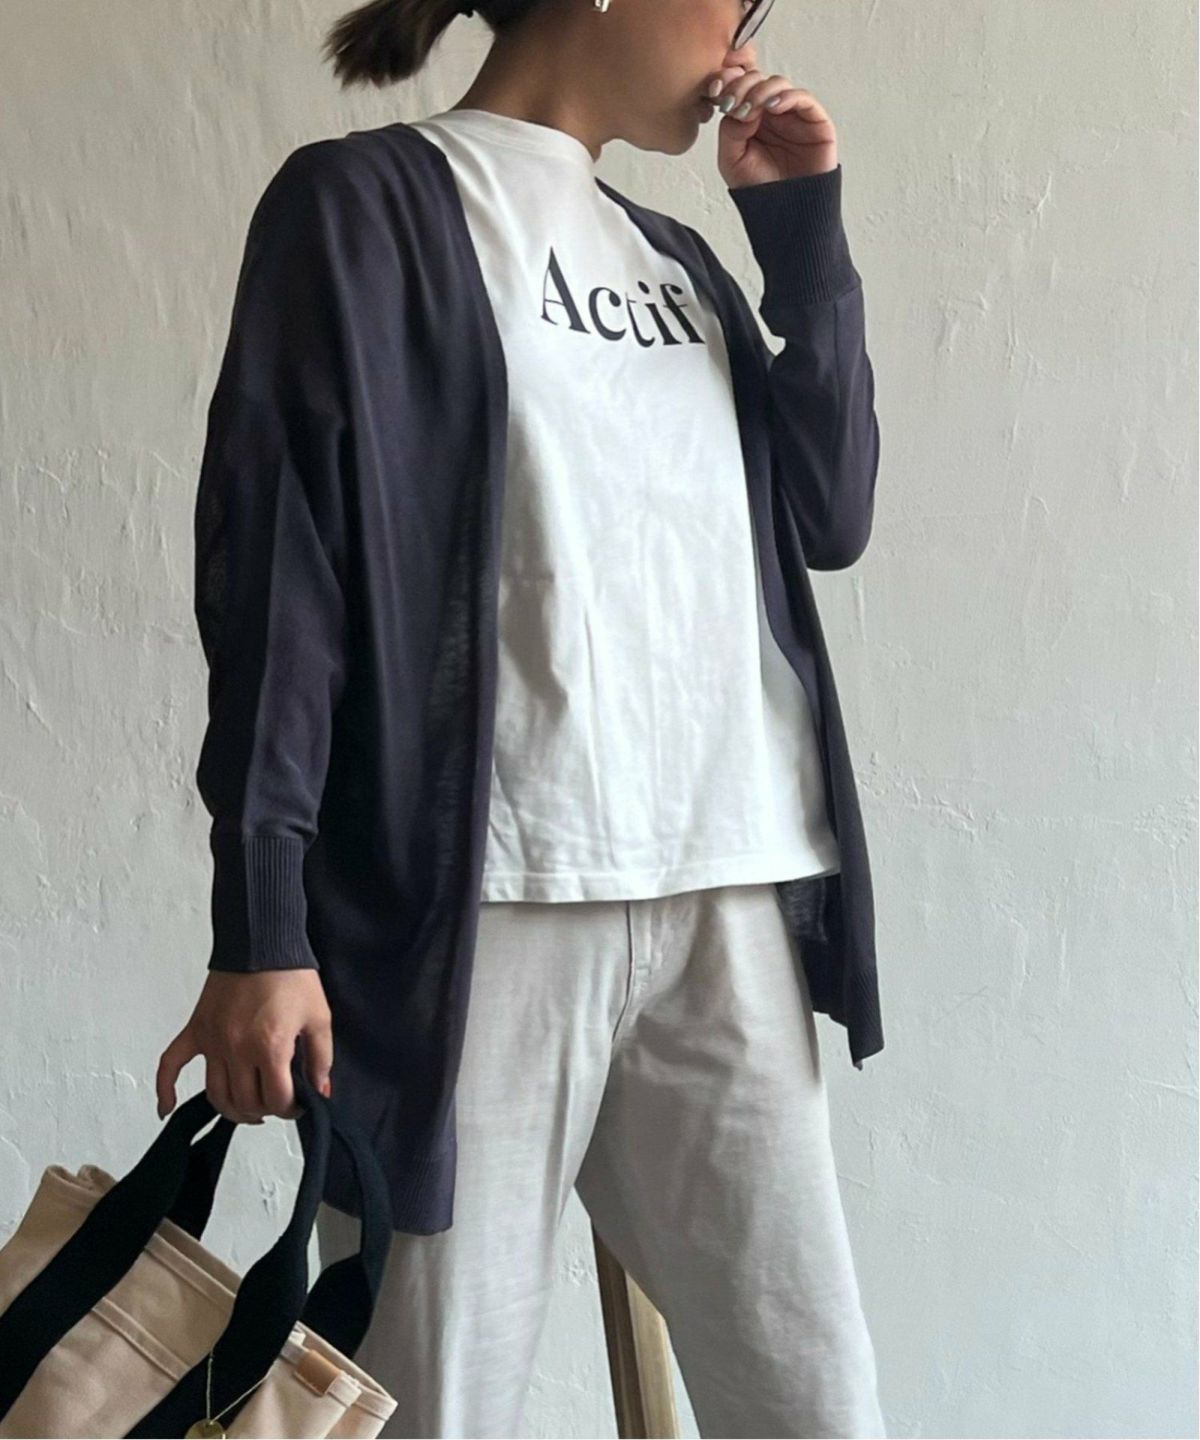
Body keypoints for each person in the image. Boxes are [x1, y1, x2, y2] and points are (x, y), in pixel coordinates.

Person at [156, 0, 886, 1433]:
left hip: (725, 893)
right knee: (433, 1406)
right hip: (483, 918)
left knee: (814, 1405)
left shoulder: (675, 257)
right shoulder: (367, 207)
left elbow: (832, 510)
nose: (747, 31)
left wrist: (802, 238)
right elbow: (281, 576)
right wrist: (263, 925)